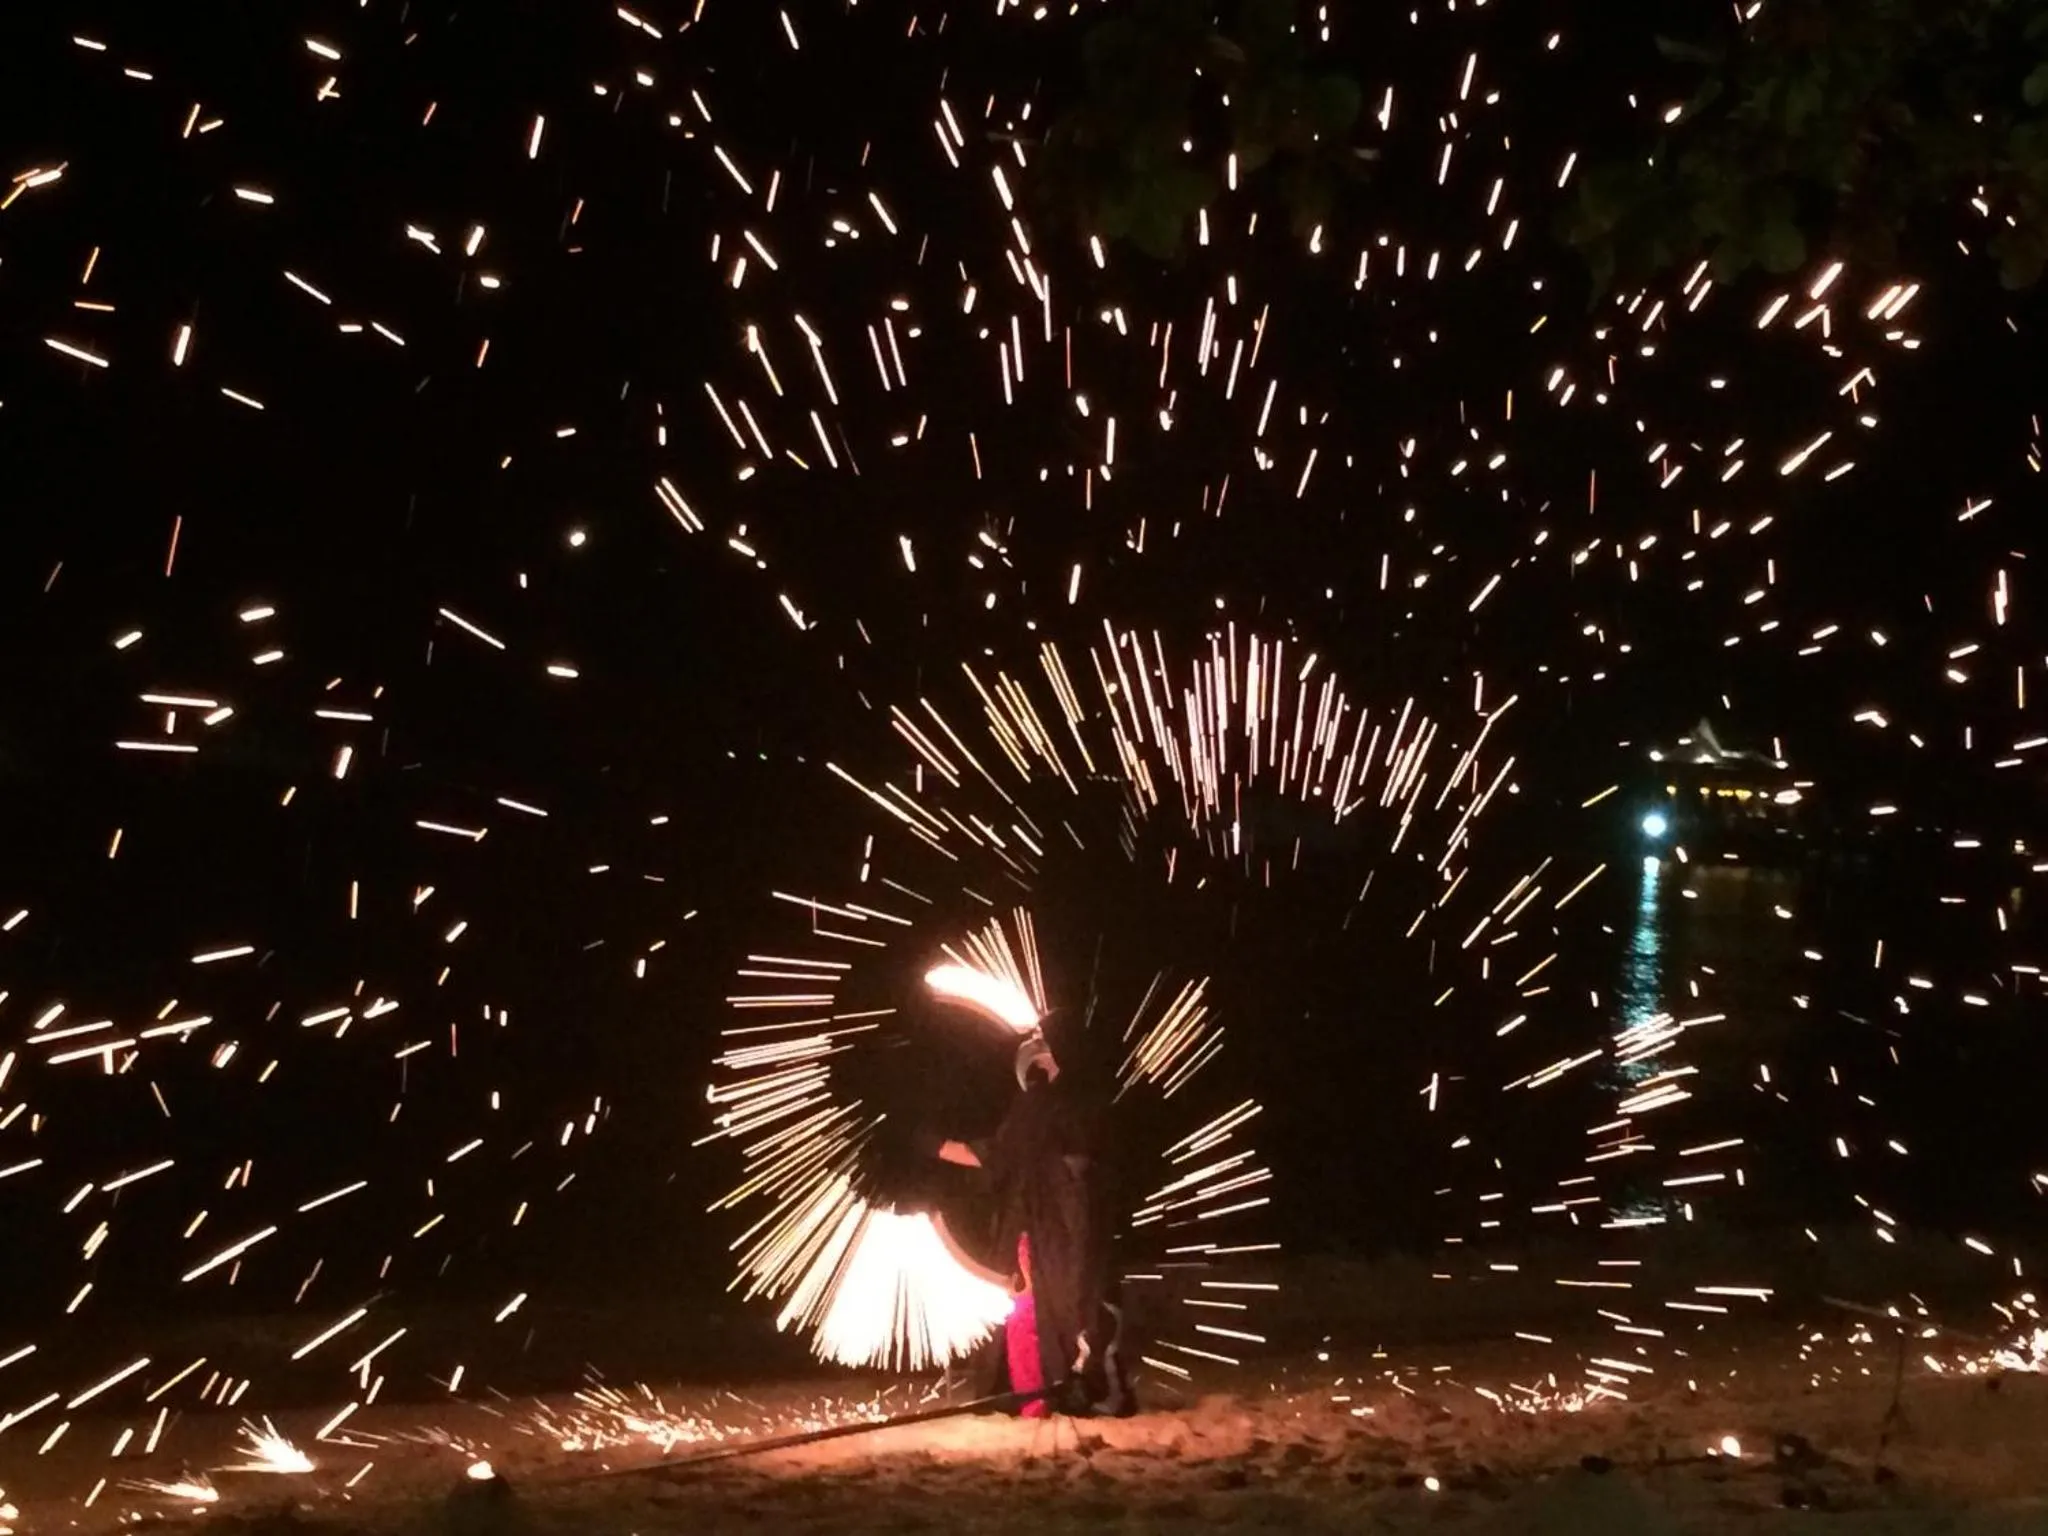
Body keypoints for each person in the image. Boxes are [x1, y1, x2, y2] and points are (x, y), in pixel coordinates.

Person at [936, 1029, 1134, 1417]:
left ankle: (1057, 1392)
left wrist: (934, 1147)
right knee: (1042, 1306)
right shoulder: (1052, 1106)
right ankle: (1048, 1393)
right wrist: (936, 1148)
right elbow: (1004, 1154)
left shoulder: (1050, 1105)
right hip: (1054, 1225)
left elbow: (1002, 1155)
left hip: (1061, 1225)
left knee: (1063, 1307)